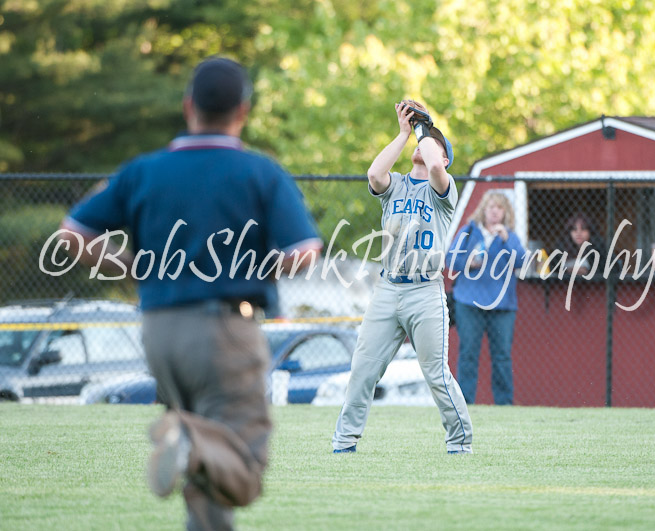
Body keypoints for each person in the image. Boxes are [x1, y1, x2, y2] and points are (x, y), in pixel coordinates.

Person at [58, 56, 322, 530]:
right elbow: (304, 251)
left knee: (204, 482)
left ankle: (188, 444)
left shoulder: (143, 171)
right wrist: (255, 268)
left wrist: (134, 267)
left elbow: (72, 235)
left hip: (158, 331)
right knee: (243, 467)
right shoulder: (259, 172)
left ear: (187, 106)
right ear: (243, 111)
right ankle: (186, 438)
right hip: (224, 330)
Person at [331, 100, 473, 454]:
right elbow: (375, 174)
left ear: (444, 157)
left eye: (434, 144)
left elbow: (437, 168)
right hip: (388, 288)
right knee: (363, 369)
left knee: (436, 375)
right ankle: (344, 442)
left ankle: (460, 441)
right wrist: (404, 132)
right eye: (424, 142)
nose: (423, 147)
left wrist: (427, 128)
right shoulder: (395, 185)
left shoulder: (443, 191)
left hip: (425, 292)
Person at [446, 191, 526, 405]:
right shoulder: (469, 231)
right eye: (490, 206)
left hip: (502, 305)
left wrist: (506, 239)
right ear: (483, 209)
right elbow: (450, 259)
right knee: (468, 354)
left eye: (499, 207)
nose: (494, 211)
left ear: (505, 212)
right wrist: (468, 262)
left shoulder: (509, 236)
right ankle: (465, 404)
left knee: (501, 357)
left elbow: (521, 261)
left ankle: (504, 403)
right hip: (468, 302)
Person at [552, 212, 608, 277]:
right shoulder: (561, 249)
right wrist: (567, 271)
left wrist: (588, 271)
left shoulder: (600, 250)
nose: (578, 233)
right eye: (574, 229)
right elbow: (553, 270)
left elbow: (608, 270)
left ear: (590, 231)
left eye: (583, 228)